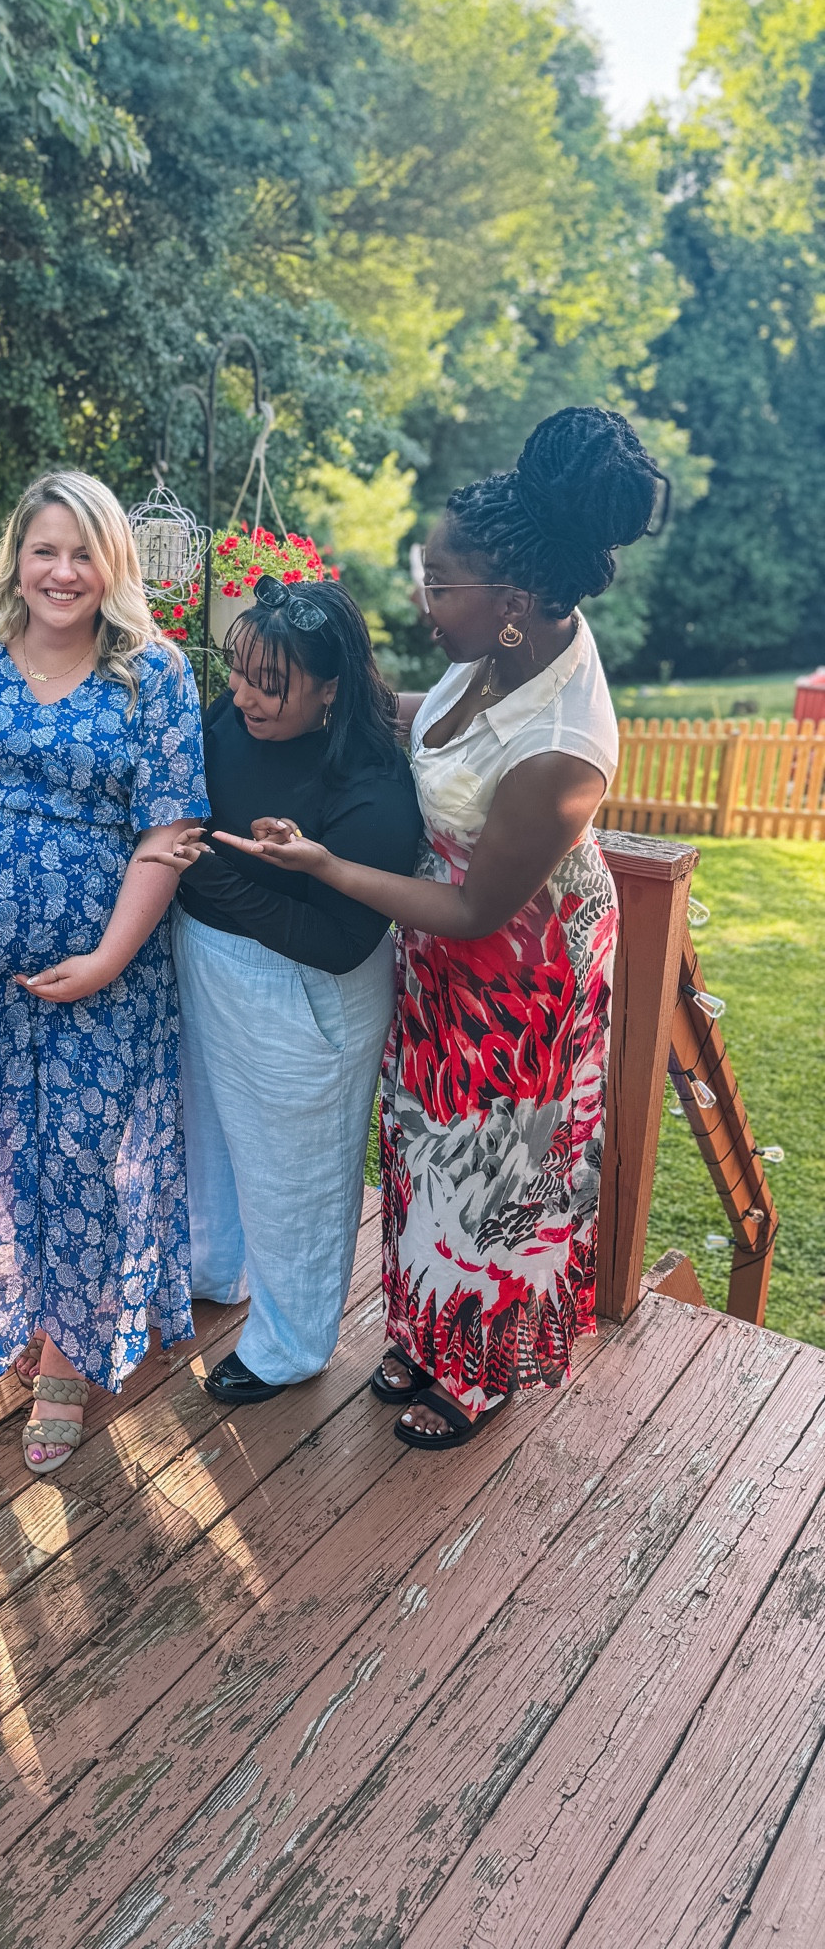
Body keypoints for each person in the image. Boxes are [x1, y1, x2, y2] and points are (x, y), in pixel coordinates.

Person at [214, 407, 665, 1449]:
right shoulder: (503, 648)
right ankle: (427, 1327)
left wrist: (327, 864)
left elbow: (474, 908)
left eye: (439, 581)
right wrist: (308, 671)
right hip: (441, 949)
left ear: (510, 600)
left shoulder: (562, 743)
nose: (425, 594)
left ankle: (483, 1368)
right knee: (423, 1143)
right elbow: (421, 716)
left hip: (516, 972)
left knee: (494, 1164)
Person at [0, 469, 210, 1475]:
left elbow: (171, 832)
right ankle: (17, 1312)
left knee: (83, 1154)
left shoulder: (154, 673)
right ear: (18, 557)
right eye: (46, 548)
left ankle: (62, 1364)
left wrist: (105, 958)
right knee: (2, 1147)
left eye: (84, 551)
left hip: (107, 969)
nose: (62, 570)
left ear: (114, 563)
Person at [144, 578, 423, 1404]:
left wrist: (217, 877)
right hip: (210, 958)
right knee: (217, 1137)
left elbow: (339, 943)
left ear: (332, 687)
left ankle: (290, 1342)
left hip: (303, 990)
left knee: (294, 1171)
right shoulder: (232, 713)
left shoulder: (373, 789)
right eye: (238, 674)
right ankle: (216, 1266)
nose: (244, 697)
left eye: (271, 684)